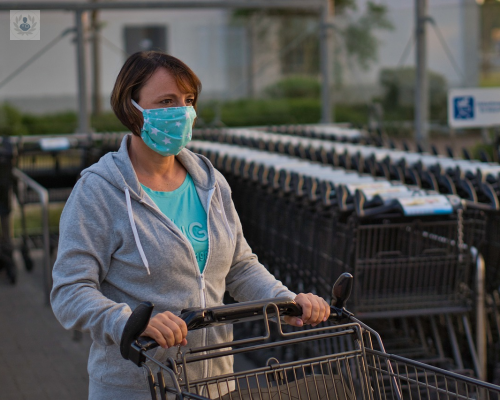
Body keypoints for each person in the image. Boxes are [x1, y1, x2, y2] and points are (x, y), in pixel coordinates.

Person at [51, 51, 330, 400]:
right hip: (137, 388)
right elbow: (70, 291)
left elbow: (240, 268)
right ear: (131, 108)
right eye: (166, 101)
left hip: (213, 385)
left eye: (188, 101)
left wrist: (284, 301)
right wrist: (128, 322)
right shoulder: (98, 191)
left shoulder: (209, 182)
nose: (182, 112)